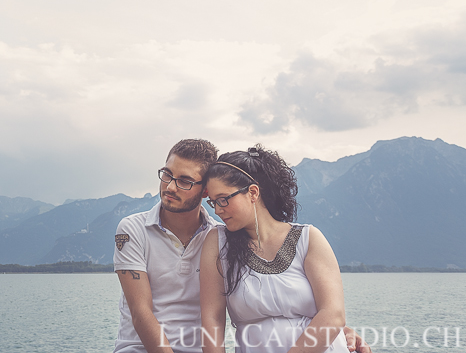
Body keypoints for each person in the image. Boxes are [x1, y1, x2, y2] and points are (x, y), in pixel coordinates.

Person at [113, 139, 368, 353]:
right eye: (167, 175)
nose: (169, 186)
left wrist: (340, 330)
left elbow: (330, 312)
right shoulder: (216, 240)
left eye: (184, 181)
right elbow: (151, 314)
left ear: (253, 193)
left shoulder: (221, 234)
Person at [199, 145, 349, 353]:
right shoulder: (217, 242)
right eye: (213, 202)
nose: (217, 209)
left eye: (223, 199)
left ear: (252, 192)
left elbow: (333, 315)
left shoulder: (308, 238)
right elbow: (212, 320)